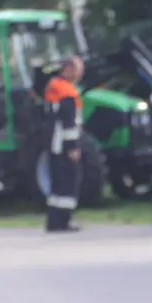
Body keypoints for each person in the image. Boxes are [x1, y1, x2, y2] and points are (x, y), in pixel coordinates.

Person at [43, 55, 85, 233]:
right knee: (68, 181)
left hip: (53, 141)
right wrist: (72, 147)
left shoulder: (53, 86)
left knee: (57, 183)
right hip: (62, 143)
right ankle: (63, 221)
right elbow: (68, 122)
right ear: (67, 69)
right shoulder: (66, 91)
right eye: (77, 69)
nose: (79, 73)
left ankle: (53, 220)